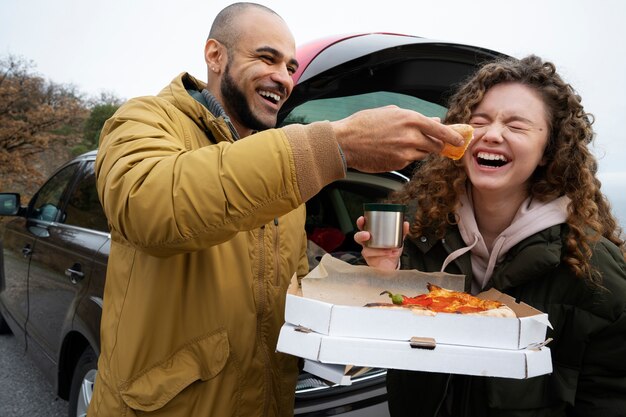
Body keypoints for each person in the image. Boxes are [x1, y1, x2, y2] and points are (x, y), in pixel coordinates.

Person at [89, 3, 466, 417]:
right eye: (266, 58)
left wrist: (368, 272)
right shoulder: (144, 118)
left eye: (290, 67)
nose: (284, 78)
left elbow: (295, 290)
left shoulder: (285, 178)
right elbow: (151, 207)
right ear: (215, 55)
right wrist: (335, 144)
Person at [355, 54, 626, 416]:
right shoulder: (419, 233)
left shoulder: (594, 271)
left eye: (516, 126)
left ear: (550, 150)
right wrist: (383, 280)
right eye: (479, 121)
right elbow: (372, 353)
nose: (492, 134)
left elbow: (610, 398)